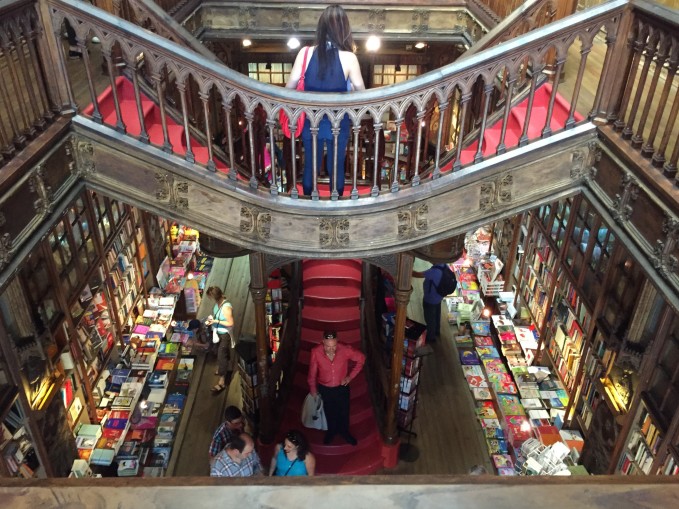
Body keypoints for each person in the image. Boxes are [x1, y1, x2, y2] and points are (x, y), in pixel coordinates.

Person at [285, 4, 366, 197]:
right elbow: (362, 92)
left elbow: (289, 87)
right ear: (344, 30)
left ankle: (308, 201)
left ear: (321, 28)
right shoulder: (349, 58)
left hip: (310, 121)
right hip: (338, 123)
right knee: (335, 166)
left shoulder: (304, 54)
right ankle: (335, 205)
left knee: (310, 166)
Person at [308, 330, 365, 445]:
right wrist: (313, 390)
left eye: (334, 346)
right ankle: (331, 432)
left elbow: (361, 359)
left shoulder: (345, 350)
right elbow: (312, 374)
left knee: (344, 411)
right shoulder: (316, 352)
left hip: (341, 388)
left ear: (337, 342)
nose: (331, 349)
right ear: (323, 342)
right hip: (325, 388)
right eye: (328, 346)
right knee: (329, 411)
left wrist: (349, 377)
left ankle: (344, 432)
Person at [205, 286, 234, 393]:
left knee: (221, 355)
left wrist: (216, 321)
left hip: (225, 333)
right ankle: (228, 367)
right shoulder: (218, 303)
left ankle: (222, 380)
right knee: (219, 351)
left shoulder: (226, 308)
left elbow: (230, 323)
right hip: (218, 332)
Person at [412, 264, 447, 344]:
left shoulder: (433, 272)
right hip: (439, 296)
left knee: (430, 318)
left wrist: (407, 270)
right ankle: (437, 331)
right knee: (437, 314)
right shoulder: (444, 266)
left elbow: (417, 274)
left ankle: (431, 336)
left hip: (430, 299)